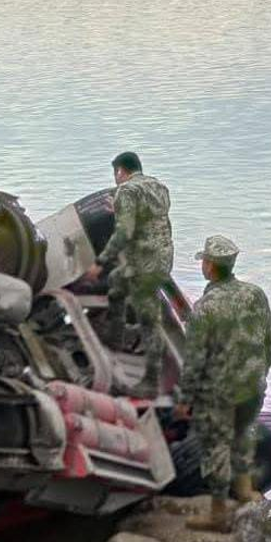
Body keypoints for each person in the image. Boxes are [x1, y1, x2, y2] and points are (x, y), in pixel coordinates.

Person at [174, 235, 271, 532]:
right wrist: (261, 374)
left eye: (204, 261)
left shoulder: (205, 309)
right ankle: (246, 493)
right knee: (243, 437)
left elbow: (194, 361)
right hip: (253, 386)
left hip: (219, 394)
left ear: (209, 267)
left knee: (216, 449)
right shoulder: (255, 294)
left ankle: (218, 513)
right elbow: (269, 340)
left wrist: (185, 400)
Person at [85, 152, 173, 396]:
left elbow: (124, 233)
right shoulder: (158, 186)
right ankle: (116, 338)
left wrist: (100, 262)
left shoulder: (125, 191)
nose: (115, 179)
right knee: (116, 282)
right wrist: (119, 209)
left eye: (116, 174)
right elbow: (149, 217)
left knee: (149, 319)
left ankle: (151, 381)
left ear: (120, 171)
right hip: (162, 258)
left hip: (144, 262)